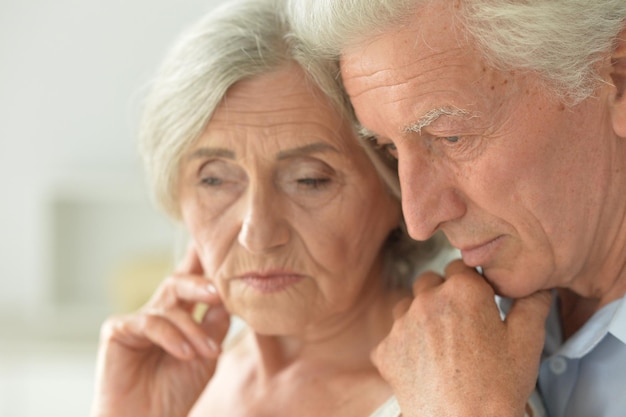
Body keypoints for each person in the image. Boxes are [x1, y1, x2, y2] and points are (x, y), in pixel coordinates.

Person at [88, 0, 444, 416]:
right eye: (215, 179)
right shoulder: (173, 379)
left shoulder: (456, 391)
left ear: (398, 191)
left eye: (309, 180)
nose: (256, 234)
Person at [287, 1, 626, 416]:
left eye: (451, 137)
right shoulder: (434, 339)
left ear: (618, 78)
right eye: (391, 148)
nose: (418, 219)